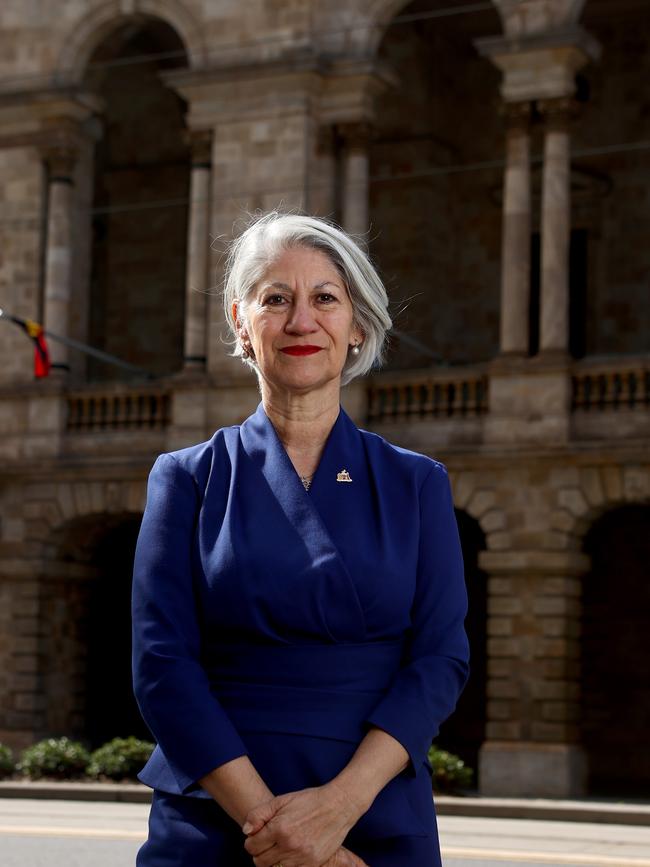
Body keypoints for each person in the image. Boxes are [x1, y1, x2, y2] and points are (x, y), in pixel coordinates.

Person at [131, 211, 470, 867]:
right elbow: (161, 667)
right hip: (215, 817)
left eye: (325, 298)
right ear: (241, 322)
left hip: (373, 816)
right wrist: (279, 830)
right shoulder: (185, 478)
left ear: (357, 325)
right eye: (276, 299)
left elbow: (440, 659)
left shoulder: (417, 482)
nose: (300, 321)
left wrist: (339, 806)